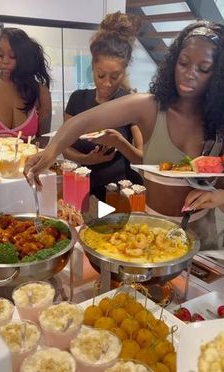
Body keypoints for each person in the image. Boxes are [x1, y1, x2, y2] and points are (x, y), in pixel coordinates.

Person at [24, 20, 224, 249]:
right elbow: (80, 122)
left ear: (218, 74)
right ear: (172, 63)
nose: (190, 74)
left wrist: (220, 197)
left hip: (202, 233)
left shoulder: (219, 122)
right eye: (184, 63)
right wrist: (48, 155)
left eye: (203, 68)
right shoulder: (148, 107)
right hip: (152, 229)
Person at [63, 11, 143, 201]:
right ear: (92, 67)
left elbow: (141, 158)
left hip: (117, 193)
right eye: (101, 75)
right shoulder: (77, 99)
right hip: (80, 188)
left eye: (114, 77)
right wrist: (86, 160)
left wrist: (120, 143)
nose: (107, 83)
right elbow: (65, 147)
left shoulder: (130, 104)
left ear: (124, 72)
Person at [0, 27, 52, 139]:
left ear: (25, 58)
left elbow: (43, 140)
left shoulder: (41, 92)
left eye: (13, 56)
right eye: (0, 55)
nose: (5, 61)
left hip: (27, 156)